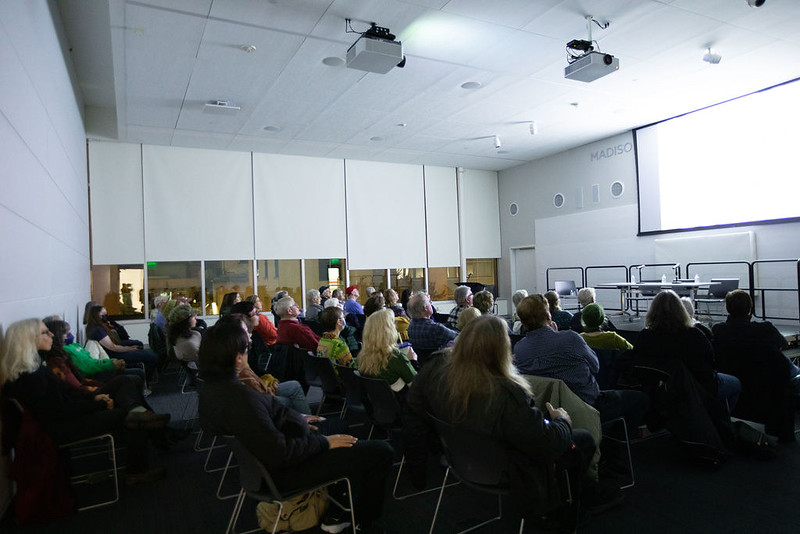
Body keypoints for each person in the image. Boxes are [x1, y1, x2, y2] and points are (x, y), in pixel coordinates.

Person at [406, 315, 603, 530]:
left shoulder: (436, 370)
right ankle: (570, 510)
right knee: (581, 439)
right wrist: (562, 421)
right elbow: (547, 445)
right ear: (501, 350)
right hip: (508, 470)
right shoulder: (504, 394)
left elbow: (414, 409)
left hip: (465, 461)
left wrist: (417, 472)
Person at [197, 319, 393, 530]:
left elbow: (262, 428)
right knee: (382, 451)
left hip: (266, 466)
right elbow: (280, 452)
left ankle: (338, 505)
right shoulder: (241, 400)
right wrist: (324, 444)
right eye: (247, 348)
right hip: (286, 472)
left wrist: (298, 420)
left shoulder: (213, 390)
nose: (249, 351)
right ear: (237, 359)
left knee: (337, 427)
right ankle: (363, 520)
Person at [1, 318, 167, 485]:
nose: (52, 334)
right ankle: (137, 470)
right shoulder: (30, 377)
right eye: (45, 332)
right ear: (28, 340)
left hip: (66, 419)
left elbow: (68, 394)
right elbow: (60, 409)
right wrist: (99, 404)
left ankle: (140, 418)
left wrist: (93, 397)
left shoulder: (34, 370)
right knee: (128, 415)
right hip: (62, 428)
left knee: (125, 389)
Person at [514, 295, 649, 429]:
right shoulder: (570, 339)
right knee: (641, 398)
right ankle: (617, 441)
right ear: (549, 316)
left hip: (547, 411)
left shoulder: (519, 349)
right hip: (587, 404)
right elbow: (595, 366)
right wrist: (557, 334)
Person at [629, 290, 741, 410]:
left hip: (659, 391)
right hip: (698, 387)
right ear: (681, 310)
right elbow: (710, 360)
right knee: (735, 384)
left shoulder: (645, 336)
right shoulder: (694, 334)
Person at [712, 289, 799, 397]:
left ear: (727, 308)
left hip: (735, 380)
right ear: (750, 307)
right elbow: (783, 344)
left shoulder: (718, 330)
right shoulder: (765, 328)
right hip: (765, 383)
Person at [85, 305, 159, 380]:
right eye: (103, 314)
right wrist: (130, 349)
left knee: (148, 354)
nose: (105, 316)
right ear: (96, 315)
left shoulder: (98, 327)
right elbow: (113, 347)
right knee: (152, 357)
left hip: (115, 353)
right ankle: (146, 381)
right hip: (114, 356)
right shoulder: (97, 330)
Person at [45, 319, 125, 381]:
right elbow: (86, 368)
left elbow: (91, 360)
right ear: (56, 335)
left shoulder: (75, 345)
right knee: (131, 377)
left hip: (99, 368)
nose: (71, 335)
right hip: (93, 375)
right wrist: (110, 365)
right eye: (67, 334)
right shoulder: (64, 351)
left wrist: (111, 362)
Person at [358, 310, 417, 393]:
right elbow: (417, 385)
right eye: (393, 322)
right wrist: (413, 361)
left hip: (377, 403)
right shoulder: (395, 356)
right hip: (403, 402)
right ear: (388, 330)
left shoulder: (362, 357)